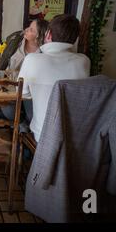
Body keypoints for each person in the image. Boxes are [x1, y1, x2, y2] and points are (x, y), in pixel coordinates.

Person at [17, 14, 91, 142]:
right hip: (75, 137)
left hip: (43, 135)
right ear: (74, 39)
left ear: (48, 35)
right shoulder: (84, 61)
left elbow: (22, 93)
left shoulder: (32, 60)